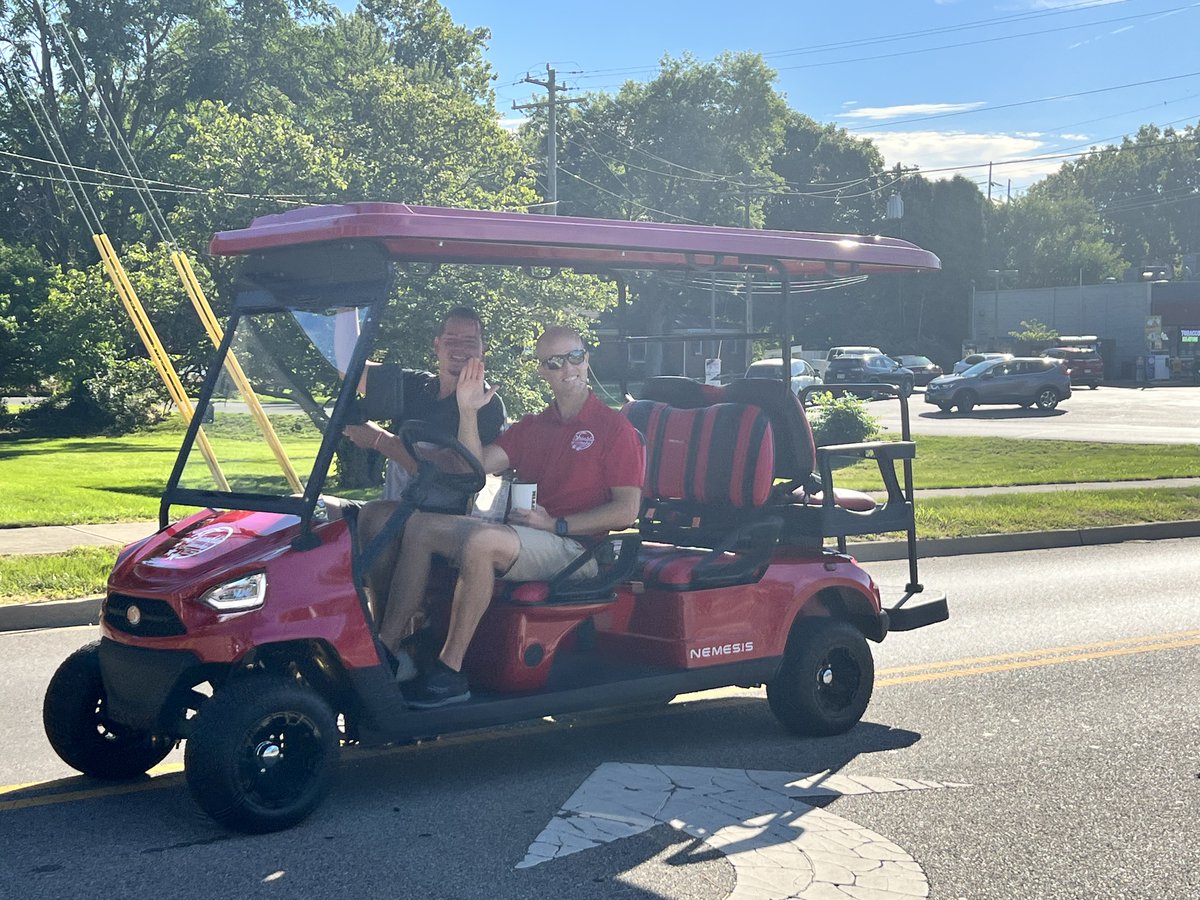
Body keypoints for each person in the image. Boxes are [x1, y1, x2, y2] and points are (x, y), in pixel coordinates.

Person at [378, 326, 645, 708]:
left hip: (579, 550)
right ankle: (386, 650)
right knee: (421, 527)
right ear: (542, 371)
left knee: (482, 541)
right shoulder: (534, 426)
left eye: (575, 357)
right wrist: (467, 411)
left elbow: (626, 510)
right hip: (531, 537)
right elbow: (477, 467)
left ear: (587, 359)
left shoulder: (614, 428)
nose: (568, 368)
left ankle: (450, 671)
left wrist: (557, 524)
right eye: (555, 362)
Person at [343, 307, 506, 622]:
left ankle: (385, 630)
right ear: (437, 345)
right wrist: (347, 305)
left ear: (482, 349)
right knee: (317, 514)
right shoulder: (416, 386)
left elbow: (450, 473)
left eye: (469, 341)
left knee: (376, 515)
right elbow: (351, 370)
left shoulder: (486, 403)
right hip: (400, 504)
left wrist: (381, 441)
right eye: (451, 339)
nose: (459, 348)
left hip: (446, 517)